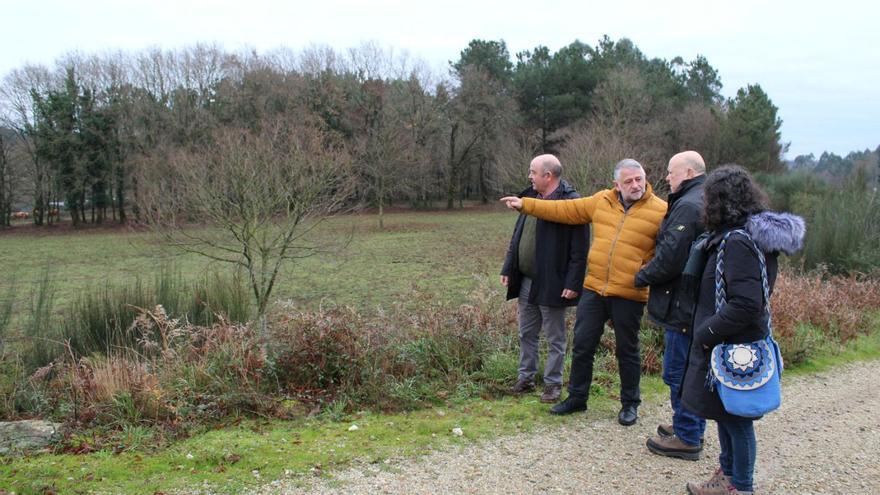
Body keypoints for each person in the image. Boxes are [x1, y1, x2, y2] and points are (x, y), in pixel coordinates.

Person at [501, 159, 667, 425]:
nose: (636, 185)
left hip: (629, 292)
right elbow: (565, 209)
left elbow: (668, 251)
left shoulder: (661, 211)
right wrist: (527, 204)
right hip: (594, 288)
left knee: (627, 350)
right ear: (616, 184)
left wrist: (643, 273)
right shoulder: (602, 200)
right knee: (582, 345)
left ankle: (629, 404)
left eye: (639, 179)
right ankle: (577, 398)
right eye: (629, 181)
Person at [680, 165, 805, 495]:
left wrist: (707, 333)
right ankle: (728, 476)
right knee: (726, 414)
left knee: (736, 420)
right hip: (735, 342)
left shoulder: (737, 242)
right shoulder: (749, 237)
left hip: (733, 347)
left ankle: (740, 486)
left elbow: (746, 303)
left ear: (718, 201)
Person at [635, 151, 707, 460]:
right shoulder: (701, 198)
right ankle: (688, 425)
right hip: (693, 302)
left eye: (671, 172)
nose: (667, 177)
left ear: (688, 172)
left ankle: (688, 435)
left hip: (683, 303)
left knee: (678, 371)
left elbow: (671, 257)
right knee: (688, 368)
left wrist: (642, 276)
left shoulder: (689, 207)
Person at [500, 154, 588, 403]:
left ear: (547, 176)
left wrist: (573, 283)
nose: (529, 176)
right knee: (526, 333)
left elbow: (580, 250)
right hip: (527, 280)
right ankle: (525, 378)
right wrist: (509, 267)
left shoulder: (572, 203)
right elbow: (517, 237)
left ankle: (553, 385)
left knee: (555, 338)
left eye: (533, 172)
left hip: (554, 283)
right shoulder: (529, 198)